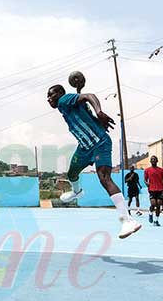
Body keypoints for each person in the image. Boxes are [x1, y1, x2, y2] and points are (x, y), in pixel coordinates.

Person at [46, 83, 141, 238]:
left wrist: (99, 112)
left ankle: (127, 220)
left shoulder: (64, 100)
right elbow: (82, 104)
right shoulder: (65, 107)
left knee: (104, 178)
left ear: (60, 93)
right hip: (84, 148)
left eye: (51, 95)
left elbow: (89, 96)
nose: (49, 99)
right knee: (71, 174)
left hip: (99, 143)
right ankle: (77, 192)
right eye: (47, 97)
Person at [144, 156, 163, 227]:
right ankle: (150, 213)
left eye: (154, 159)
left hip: (160, 189)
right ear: (150, 161)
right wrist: (146, 183)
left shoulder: (161, 170)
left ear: (157, 161)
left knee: (158, 205)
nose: (153, 161)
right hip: (152, 189)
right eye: (152, 160)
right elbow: (145, 179)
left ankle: (156, 220)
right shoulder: (147, 170)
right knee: (153, 204)